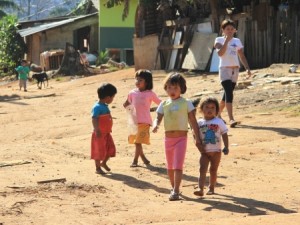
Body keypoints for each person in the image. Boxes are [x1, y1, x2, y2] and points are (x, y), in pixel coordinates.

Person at [152, 72, 203, 201]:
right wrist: (155, 125)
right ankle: (174, 187)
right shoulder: (164, 104)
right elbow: (157, 117)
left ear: (182, 88)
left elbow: (193, 121)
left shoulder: (186, 103)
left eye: (175, 88)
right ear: (165, 88)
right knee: (169, 167)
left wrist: (197, 137)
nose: (172, 90)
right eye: (169, 87)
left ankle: (175, 190)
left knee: (177, 166)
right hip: (168, 139)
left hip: (181, 138)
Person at [214, 19, 252, 127]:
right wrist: (226, 41)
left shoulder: (237, 41)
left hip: (235, 70)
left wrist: (247, 68)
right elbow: (220, 54)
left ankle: (217, 114)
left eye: (231, 29)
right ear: (223, 30)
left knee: (226, 95)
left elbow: (241, 55)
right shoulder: (218, 40)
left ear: (234, 30)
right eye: (227, 29)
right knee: (229, 93)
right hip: (224, 69)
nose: (229, 31)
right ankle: (231, 119)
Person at [123, 69, 161, 167]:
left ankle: (135, 161)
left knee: (138, 142)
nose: (137, 82)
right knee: (137, 143)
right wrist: (126, 106)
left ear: (147, 82)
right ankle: (144, 158)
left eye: (140, 80)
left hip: (144, 121)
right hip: (133, 122)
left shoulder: (150, 94)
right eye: (136, 79)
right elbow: (127, 104)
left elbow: (160, 103)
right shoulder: (132, 93)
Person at [194, 97, 229, 197]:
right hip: (204, 152)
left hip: (216, 151)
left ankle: (211, 187)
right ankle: (200, 188)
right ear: (201, 109)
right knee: (202, 169)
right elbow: (195, 135)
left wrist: (226, 147)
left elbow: (224, 134)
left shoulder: (219, 122)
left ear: (217, 110)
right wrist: (198, 145)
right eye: (207, 107)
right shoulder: (199, 123)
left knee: (213, 170)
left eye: (212, 107)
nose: (209, 110)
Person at [91, 83, 117, 174]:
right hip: (99, 134)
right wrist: (97, 129)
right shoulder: (97, 107)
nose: (113, 99)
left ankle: (104, 163)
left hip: (106, 133)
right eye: (113, 97)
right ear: (107, 97)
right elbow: (94, 118)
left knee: (110, 149)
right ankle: (98, 168)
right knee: (98, 151)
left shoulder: (104, 106)